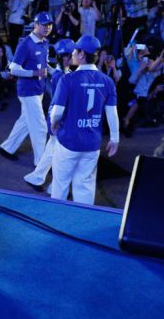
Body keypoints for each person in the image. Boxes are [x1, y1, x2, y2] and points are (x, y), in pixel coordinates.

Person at [49, 35, 120, 204]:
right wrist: (115, 139)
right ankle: (84, 223)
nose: (72, 53)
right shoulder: (108, 81)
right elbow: (112, 113)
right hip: (92, 144)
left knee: (60, 185)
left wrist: (53, 123)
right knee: (85, 186)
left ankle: (54, 220)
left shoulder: (68, 79)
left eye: (75, 50)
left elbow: (57, 112)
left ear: (81, 54)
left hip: (68, 141)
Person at [0, 12, 53, 165]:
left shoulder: (44, 42)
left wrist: (55, 71)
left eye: (49, 24)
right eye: (44, 24)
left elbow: (44, 64)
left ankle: (7, 148)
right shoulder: (25, 44)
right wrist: (34, 73)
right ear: (36, 25)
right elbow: (13, 69)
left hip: (38, 89)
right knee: (40, 127)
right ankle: (40, 165)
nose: (47, 27)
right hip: (28, 91)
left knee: (26, 121)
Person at [24, 39, 75, 192]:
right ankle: (54, 188)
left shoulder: (64, 73)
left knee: (52, 150)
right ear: (64, 57)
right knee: (62, 155)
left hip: (56, 117)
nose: (75, 55)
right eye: (72, 53)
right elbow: (61, 102)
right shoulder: (62, 76)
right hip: (58, 118)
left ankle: (36, 177)